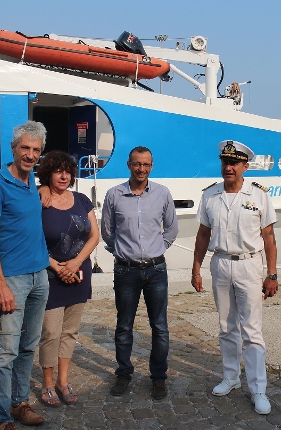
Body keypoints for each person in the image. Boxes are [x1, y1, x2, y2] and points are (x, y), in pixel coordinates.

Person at [191, 140, 278, 415]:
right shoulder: (210, 195)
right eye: (225, 162)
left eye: (234, 163)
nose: (228, 167)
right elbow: (203, 235)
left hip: (249, 265)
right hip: (221, 263)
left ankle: (258, 389)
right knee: (226, 326)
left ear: (245, 166)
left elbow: (269, 238)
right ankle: (231, 376)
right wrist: (196, 268)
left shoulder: (259, 195)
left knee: (252, 331)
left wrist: (272, 274)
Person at [0, 121, 50, 430]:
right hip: (13, 281)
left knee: (27, 347)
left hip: (39, 278)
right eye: (25, 148)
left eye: (36, 150)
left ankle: (20, 402)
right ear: (13, 148)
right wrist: (0, 285)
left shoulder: (31, 182)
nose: (30, 155)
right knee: (6, 352)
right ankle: (1, 418)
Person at [100, 146, 178, 400]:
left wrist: (157, 249)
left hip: (156, 269)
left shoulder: (162, 194)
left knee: (160, 326)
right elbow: (107, 232)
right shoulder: (114, 195)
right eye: (136, 164)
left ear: (151, 166)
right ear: (129, 165)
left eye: (146, 164)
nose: (141, 169)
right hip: (126, 270)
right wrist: (122, 253)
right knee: (124, 326)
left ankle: (158, 377)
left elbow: (171, 229)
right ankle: (123, 373)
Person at [36, 151, 99, 407]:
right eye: (57, 171)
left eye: (67, 172)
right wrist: (56, 266)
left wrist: (74, 263)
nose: (63, 176)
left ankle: (63, 381)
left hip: (79, 273)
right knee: (51, 331)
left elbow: (94, 235)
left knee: (70, 331)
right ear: (48, 174)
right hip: (51, 274)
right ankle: (48, 383)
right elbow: (34, 239)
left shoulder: (82, 201)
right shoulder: (39, 200)